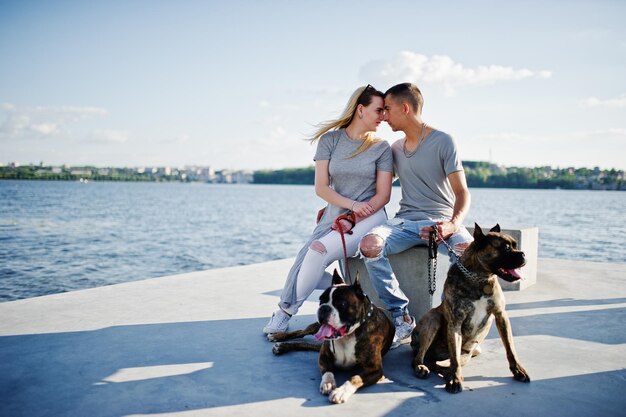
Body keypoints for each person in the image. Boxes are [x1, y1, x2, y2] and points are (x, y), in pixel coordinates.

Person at [263, 85, 394, 334]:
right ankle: (342, 288)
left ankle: (286, 312)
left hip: (369, 216)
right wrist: (347, 207)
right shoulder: (330, 141)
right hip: (335, 214)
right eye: (379, 110)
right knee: (302, 265)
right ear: (360, 109)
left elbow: (383, 196)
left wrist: (355, 214)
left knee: (317, 250)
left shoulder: (381, 148)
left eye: (385, 111)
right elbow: (322, 188)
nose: (383, 117)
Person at [359, 82, 473, 348]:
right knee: (370, 245)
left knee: (469, 253)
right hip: (404, 223)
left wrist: (452, 225)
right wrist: (337, 209)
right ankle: (402, 318)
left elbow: (463, 193)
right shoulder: (395, 149)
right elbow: (374, 188)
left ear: (405, 108)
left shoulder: (443, 141)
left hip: (441, 222)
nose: (383, 115)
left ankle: (456, 324)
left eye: (387, 108)